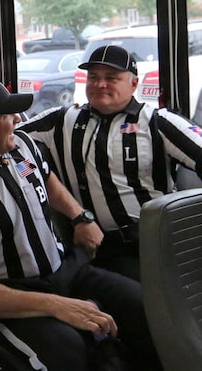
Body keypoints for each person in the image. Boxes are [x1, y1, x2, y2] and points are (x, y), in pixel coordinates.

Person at [0, 75, 160, 370]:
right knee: (68, 350)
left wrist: (79, 216)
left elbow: (45, 179)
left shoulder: (20, 146)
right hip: (11, 295)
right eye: (7, 115)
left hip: (65, 270)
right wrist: (55, 305)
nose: (17, 119)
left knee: (144, 308)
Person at [19, 44, 202, 281]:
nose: (99, 84)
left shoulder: (158, 122)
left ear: (134, 84)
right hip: (93, 246)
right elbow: (6, 139)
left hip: (153, 244)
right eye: (93, 77)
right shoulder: (62, 119)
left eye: (111, 78)